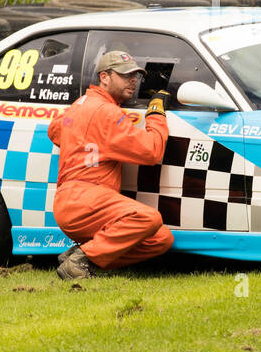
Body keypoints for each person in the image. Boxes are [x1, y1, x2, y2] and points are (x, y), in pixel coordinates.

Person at [47, 51, 173, 280]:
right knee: (149, 218)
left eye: (135, 76)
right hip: (85, 200)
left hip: (71, 201)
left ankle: (81, 257)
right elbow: (152, 151)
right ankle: (80, 259)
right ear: (104, 77)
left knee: (161, 239)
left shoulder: (80, 104)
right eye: (125, 76)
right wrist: (155, 112)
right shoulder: (107, 112)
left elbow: (54, 130)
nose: (133, 81)